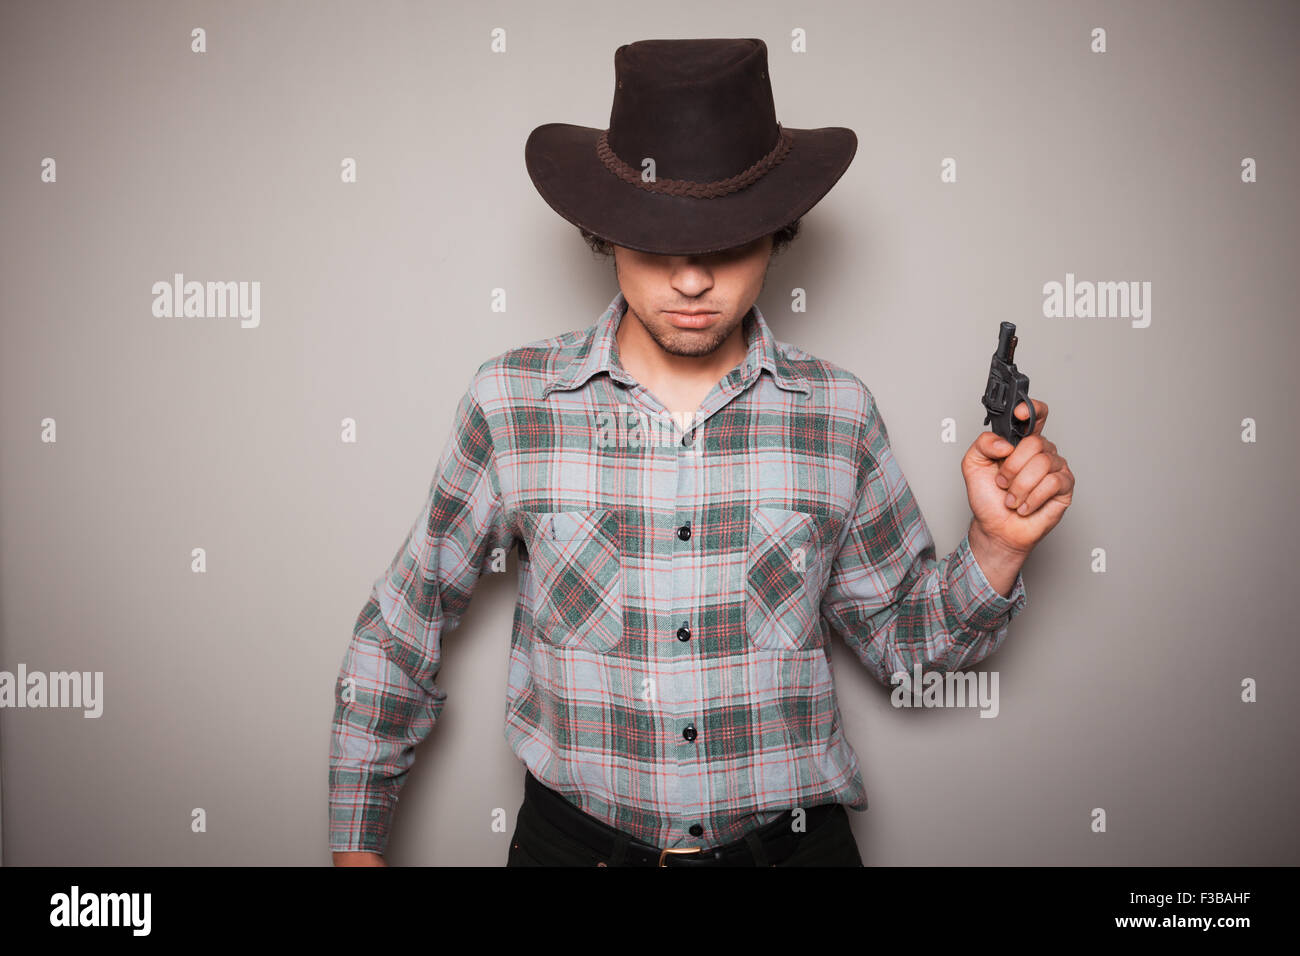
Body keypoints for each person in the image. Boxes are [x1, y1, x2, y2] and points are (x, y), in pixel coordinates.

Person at [329, 37, 1074, 867]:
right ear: (605, 234)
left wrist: (996, 549)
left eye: (725, 242)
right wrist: (356, 848)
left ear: (776, 234)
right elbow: (404, 623)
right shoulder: (512, 405)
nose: (691, 281)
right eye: (657, 242)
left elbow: (910, 651)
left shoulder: (839, 413)